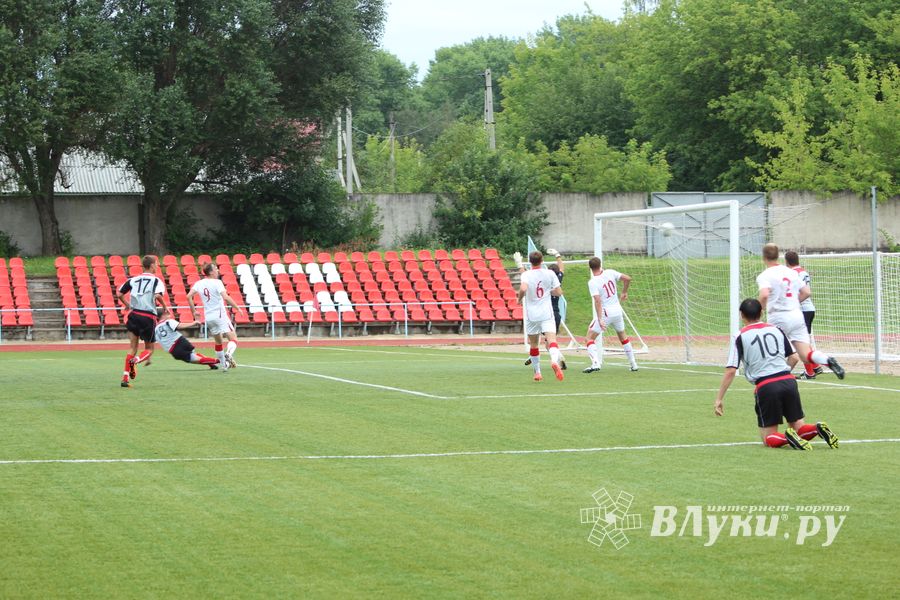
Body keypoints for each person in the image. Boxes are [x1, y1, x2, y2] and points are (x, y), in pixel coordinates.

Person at [714, 298, 839, 450]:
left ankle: (787, 437)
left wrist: (719, 398)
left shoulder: (739, 336)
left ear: (741, 315)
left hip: (766, 385)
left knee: (768, 437)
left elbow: (731, 370)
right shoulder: (776, 329)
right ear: (761, 312)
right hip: (788, 381)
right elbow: (794, 357)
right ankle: (817, 428)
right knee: (800, 427)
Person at [757, 243, 844, 379]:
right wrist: (793, 304)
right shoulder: (791, 272)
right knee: (805, 354)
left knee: (773, 352)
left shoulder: (765, 275)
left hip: (778, 317)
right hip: (797, 316)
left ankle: (773, 378)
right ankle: (827, 360)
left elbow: (764, 295)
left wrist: (759, 310)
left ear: (764, 257)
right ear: (778, 256)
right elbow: (806, 291)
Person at [117, 255, 167, 388]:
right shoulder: (157, 281)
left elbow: (119, 294)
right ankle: (136, 361)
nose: (157, 266)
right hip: (148, 317)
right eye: (156, 264)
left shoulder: (133, 280)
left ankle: (125, 378)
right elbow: (157, 295)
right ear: (151, 266)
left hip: (134, 315)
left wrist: (127, 304)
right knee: (149, 349)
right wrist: (165, 307)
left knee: (132, 347)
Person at [582, 256, 638, 373]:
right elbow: (628, 278)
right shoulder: (610, 272)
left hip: (606, 312)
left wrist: (600, 318)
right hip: (617, 310)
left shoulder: (593, 282)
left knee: (589, 338)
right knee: (623, 336)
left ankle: (595, 363)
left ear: (590, 268)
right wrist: (624, 292)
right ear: (600, 264)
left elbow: (597, 301)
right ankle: (633, 364)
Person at [517, 250, 564, 382]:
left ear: (530, 261)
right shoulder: (549, 273)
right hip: (546, 313)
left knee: (534, 344)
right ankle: (554, 361)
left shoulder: (526, 274)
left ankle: (537, 373)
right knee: (552, 340)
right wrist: (548, 291)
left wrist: (519, 298)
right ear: (542, 260)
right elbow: (559, 292)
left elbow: (523, 289)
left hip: (532, 314)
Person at [187, 262, 243, 370]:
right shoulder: (217, 282)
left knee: (218, 342)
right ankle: (229, 354)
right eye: (216, 269)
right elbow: (225, 297)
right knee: (233, 338)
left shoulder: (199, 283)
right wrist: (238, 308)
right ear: (211, 272)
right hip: (220, 315)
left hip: (208, 317)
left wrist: (194, 312)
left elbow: (188, 296)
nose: (218, 271)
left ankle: (224, 365)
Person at [785, 250, 823, 379]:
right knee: (804, 341)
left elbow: (805, 292)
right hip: (809, 309)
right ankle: (816, 366)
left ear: (786, 262)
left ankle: (810, 373)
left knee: (800, 342)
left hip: (802, 310)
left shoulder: (793, 273)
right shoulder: (803, 271)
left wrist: (794, 303)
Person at [153, 309, 223, 369]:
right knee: (194, 356)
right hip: (179, 342)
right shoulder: (168, 321)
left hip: (174, 348)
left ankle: (221, 361)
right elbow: (179, 326)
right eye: (167, 313)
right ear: (163, 314)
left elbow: (157, 341)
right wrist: (193, 323)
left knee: (194, 359)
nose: (169, 314)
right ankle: (212, 363)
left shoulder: (156, 329)